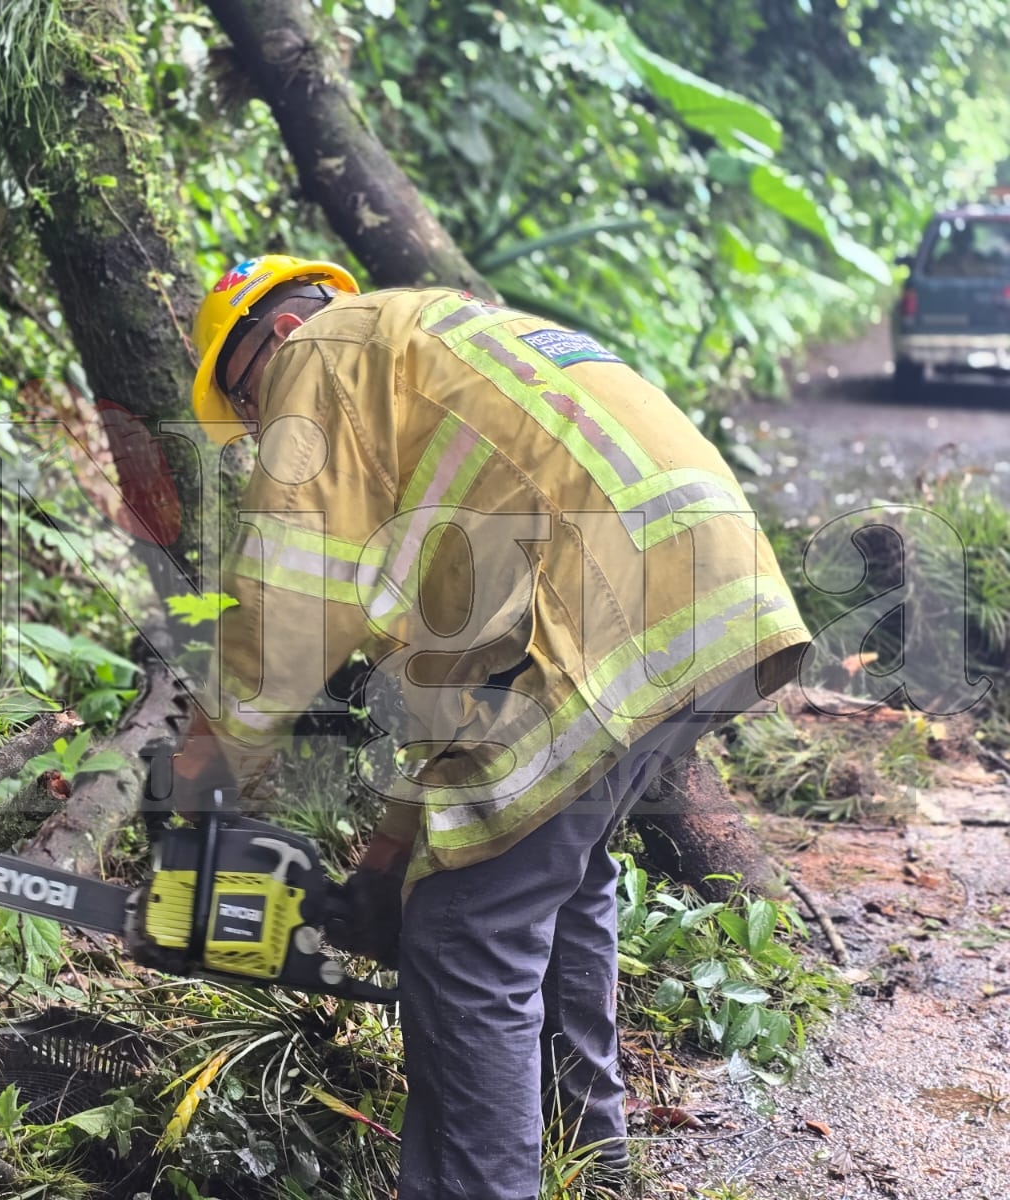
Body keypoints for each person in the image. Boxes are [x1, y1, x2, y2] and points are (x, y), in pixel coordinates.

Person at [170, 255, 811, 1199]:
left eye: (249, 410)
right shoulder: (431, 339)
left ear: (265, 343)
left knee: (469, 940)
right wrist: (388, 864)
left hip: (595, 605)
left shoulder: (322, 356)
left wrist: (195, 779)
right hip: (707, 586)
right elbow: (449, 688)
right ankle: (587, 1171)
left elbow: (283, 604)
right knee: (556, 878)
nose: (262, 432)